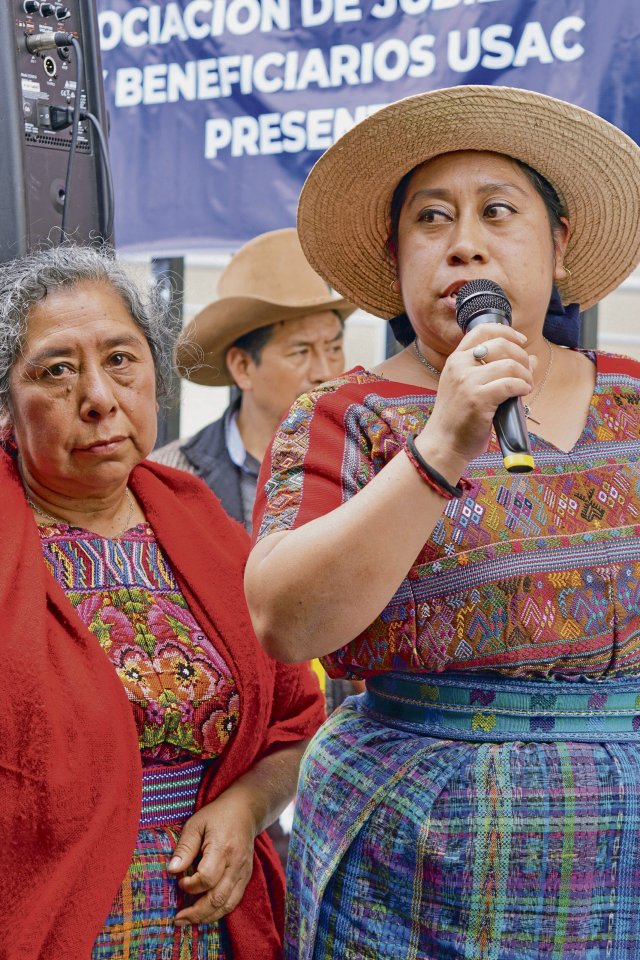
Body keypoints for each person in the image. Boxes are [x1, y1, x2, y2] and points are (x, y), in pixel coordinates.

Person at [244, 85, 640, 959]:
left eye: (499, 212)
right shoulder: (346, 414)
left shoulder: (634, 397)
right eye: (432, 219)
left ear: (559, 246)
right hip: (418, 857)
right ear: (398, 259)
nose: (464, 241)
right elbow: (284, 619)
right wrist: (439, 447)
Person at [0, 244, 325, 960]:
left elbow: (297, 721)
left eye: (121, 359)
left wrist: (245, 807)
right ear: (6, 401)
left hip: (209, 927)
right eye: (56, 371)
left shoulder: (197, 521)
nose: (99, 397)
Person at [150, 227, 354, 534]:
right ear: (243, 366)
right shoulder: (172, 474)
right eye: (300, 352)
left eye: (334, 348)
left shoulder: (365, 462)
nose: (325, 372)